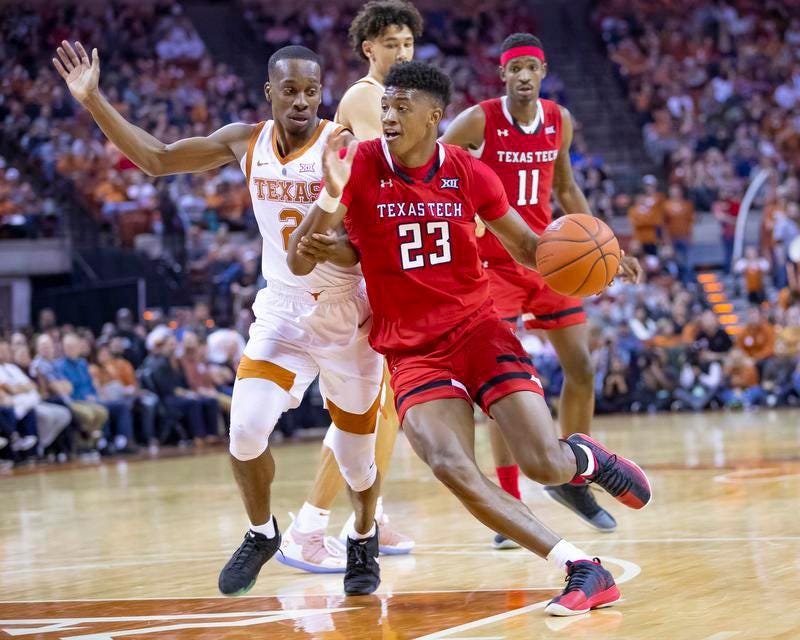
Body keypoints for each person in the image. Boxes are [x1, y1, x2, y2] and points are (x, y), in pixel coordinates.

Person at [289, 60, 652, 616]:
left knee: (544, 466)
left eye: (401, 107)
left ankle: (582, 458)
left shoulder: (470, 173)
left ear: (435, 117)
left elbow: (530, 250)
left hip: (480, 331)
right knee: (452, 467)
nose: (387, 116)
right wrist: (328, 205)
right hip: (411, 350)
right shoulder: (356, 165)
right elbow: (306, 254)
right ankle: (581, 568)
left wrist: (597, 264)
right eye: (385, 106)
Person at [53, 40, 383, 596]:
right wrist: (92, 100)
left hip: (345, 313)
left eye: (311, 91)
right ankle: (262, 531)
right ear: (269, 93)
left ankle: (363, 533)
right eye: (290, 90)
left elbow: (372, 243)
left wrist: (343, 252)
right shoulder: (243, 141)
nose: (301, 101)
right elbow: (156, 159)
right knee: (246, 429)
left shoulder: (345, 147)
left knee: (355, 459)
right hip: (281, 308)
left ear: (322, 95)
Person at [441, 33, 642, 542]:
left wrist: (609, 248)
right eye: (516, 69)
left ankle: (575, 476)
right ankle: (509, 502)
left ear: (544, 70)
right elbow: (434, 169)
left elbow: (567, 187)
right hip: (495, 264)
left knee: (581, 367)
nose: (525, 76)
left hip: (552, 258)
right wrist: (466, 223)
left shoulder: (560, 120)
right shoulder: (480, 119)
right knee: (501, 384)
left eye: (533, 67)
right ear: (503, 74)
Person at [282, 0, 421, 572]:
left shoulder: (397, 99)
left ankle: (372, 510)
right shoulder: (367, 97)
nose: (403, 53)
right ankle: (307, 527)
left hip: (377, 259)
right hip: (358, 262)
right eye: (392, 44)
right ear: (369, 48)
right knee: (365, 408)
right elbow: (388, 172)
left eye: (409, 44)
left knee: (381, 409)